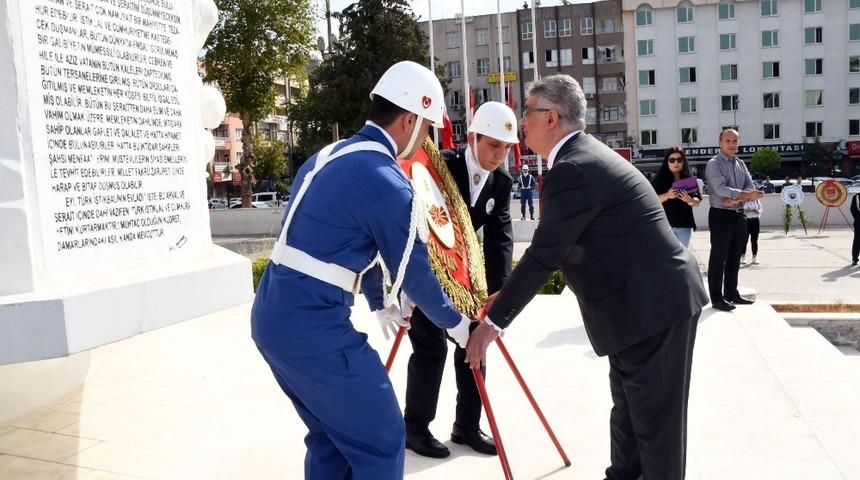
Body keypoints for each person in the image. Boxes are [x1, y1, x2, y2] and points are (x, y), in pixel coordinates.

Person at [465, 74, 709, 480]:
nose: (521, 123)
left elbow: (545, 254)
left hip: (653, 310)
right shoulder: (581, 158)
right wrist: (503, 296)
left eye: (527, 112)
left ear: (552, 117)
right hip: (639, 310)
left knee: (656, 430)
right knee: (629, 417)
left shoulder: (575, 168)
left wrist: (492, 324)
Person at [250, 61, 472, 480]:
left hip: (271, 318)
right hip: (313, 329)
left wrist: (376, 301)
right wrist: (458, 327)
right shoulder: (388, 179)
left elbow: (346, 243)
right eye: (426, 129)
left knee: (331, 438)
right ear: (409, 119)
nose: (426, 141)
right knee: (382, 438)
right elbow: (415, 275)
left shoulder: (326, 157)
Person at [403, 101, 516, 459]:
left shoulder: (501, 182)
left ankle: (466, 426)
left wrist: (497, 293)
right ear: (473, 138)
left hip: (467, 278)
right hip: (428, 276)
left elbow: (500, 238)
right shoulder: (441, 168)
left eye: (507, 147)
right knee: (431, 348)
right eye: (493, 145)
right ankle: (415, 428)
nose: (500, 154)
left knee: (477, 347)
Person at [704, 129, 764, 312]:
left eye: (735, 141)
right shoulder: (714, 164)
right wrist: (745, 196)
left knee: (734, 257)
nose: (732, 144)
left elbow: (750, 184)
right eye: (728, 140)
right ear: (720, 142)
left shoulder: (740, 163)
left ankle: (731, 293)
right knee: (718, 257)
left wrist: (737, 198)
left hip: (739, 215)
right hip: (721, 215)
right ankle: (716, 297)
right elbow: (720, 189)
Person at [651, 147, 701, 247]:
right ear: (667, 162)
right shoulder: (659, 180)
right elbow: (652, 201)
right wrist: (667, 195)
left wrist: (689, 200)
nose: (676, 163)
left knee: (681, 256)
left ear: (683, 161)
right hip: (664, 226)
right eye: (672, 160)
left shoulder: (689, 180)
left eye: (679, 160)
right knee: (665, 257)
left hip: (684, 225)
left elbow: (697, 202)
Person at [741, 198, 763, 265]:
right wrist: (746, 210)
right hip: (746, 221)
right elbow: (741, 210)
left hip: (755, 221)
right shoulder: (744, 200)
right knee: (744, 240)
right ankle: (743, 258)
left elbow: (761, 209)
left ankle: (754, 258)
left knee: (754, 240)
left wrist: (757, 211)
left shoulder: (756, 200)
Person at [851, 191, 859, 266]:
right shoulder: (856, 197)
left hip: (858, 222)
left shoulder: (855, 196)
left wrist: (856, 218)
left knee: (857, 240)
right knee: (857, 241)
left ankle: (855, 259)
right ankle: (855, 258)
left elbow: (852, 210)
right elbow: (852, 209)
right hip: (858, 222)